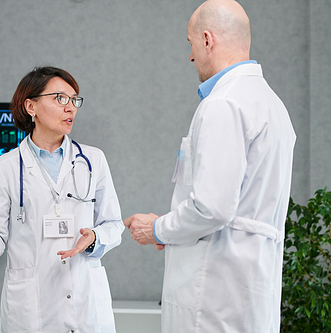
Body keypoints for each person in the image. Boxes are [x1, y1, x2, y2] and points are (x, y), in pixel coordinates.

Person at [124, 1, 296, 332]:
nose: (190, 56)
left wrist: (157, 228)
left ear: (207, 40)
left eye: (190, 44)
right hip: (249, 292)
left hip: (214, 298)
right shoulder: (272, 105)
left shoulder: (223, 103)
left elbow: (212, 208)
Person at [0, 66, 124, 333]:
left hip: (85, 298)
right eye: (60, 98)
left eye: (74, 99)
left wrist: (94, 236)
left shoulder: (93, 160)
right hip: (32, 307)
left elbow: (114, 224)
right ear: (31, 106)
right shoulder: (6, 167)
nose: (70, 107)